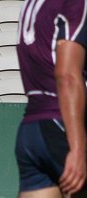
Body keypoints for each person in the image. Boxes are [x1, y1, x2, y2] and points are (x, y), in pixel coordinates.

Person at [15, 0, 87, 197]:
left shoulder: (32, 4)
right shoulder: (75, 3)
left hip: (31, 128)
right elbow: (67, 76)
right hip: (60, 124)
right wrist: (78, 148)